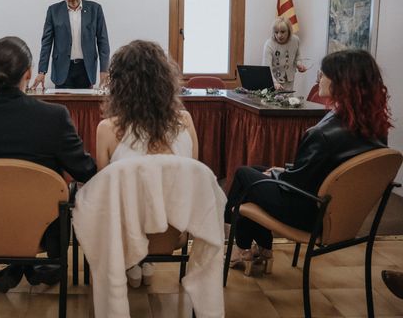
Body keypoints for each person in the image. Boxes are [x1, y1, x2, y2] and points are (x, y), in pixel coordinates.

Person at [0, 36, 97, 292]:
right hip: (42, 227)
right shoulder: (53, 117)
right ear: (28, 72)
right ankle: (34, 266)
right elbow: (85, 171)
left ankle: (19, 267)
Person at [226, 49, 392, 275]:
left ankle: (241, 245)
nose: (318, 79)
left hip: (308, 212)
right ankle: (259, 248)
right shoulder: (376, 129)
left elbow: (296, 186)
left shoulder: (323, 134)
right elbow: (329, 170)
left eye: (323, 74)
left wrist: (278, 175)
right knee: (258, 171)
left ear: (341, 83)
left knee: (244, 175)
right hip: (339, 212)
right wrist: (281, 171)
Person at [95, 40, 199, 287]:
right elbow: (193, 179)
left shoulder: (107, 129)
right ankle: (143, 261)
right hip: (173, 232)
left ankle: (134, 261)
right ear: (165, 80)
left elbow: (106, 191)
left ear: (119, 85)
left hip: (126, 234)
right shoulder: (185, 121)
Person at [32, 0, 110, 89]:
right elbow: (46, 43)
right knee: (62, 106)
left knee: (85, 106)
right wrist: (41, 71)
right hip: (62, 69)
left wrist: (104, 71)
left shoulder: (95, 9)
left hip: (86, 69)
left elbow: (103, 42)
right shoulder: (53, 11)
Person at [262, 17, 306, 91]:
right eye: (276, 32)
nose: (279, 35)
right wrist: (274, 83)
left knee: (288, 101)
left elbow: (297, 56)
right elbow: (266, 68)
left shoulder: (295, 40)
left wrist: (299, 64)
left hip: (289, 80)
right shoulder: (269, 44)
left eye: (283, 32)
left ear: (289, 31)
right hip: (273, 81)